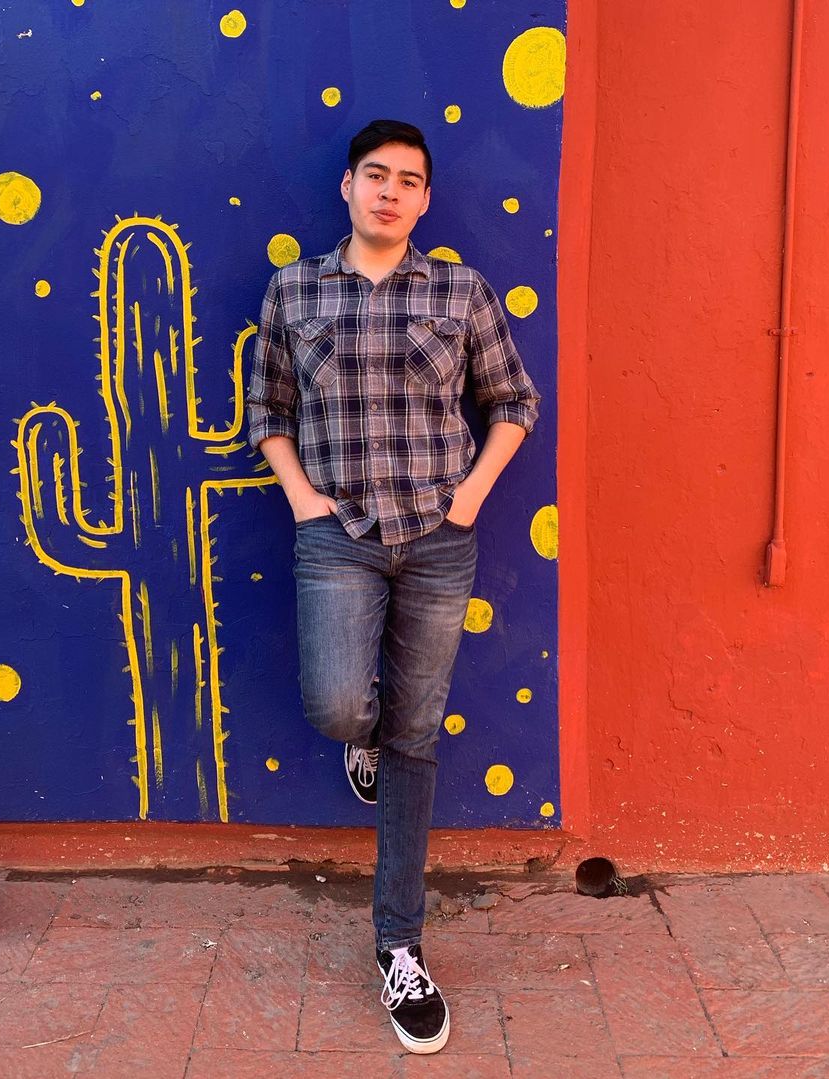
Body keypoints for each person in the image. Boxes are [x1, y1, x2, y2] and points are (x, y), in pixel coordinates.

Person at [246, 119, 541, 1055]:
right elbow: (267, 408)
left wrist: (470, 498)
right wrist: (303, 502)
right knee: (339, 705)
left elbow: (514, 401)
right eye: (375, 175)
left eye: (408, 180)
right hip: (337, 534)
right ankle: (360, 739)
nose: (390, 191)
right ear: (347, 186)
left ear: (424, 200)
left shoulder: (460, 290)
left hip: (440, 539)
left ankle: (399, 945)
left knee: (417, 734)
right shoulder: (294, 290)